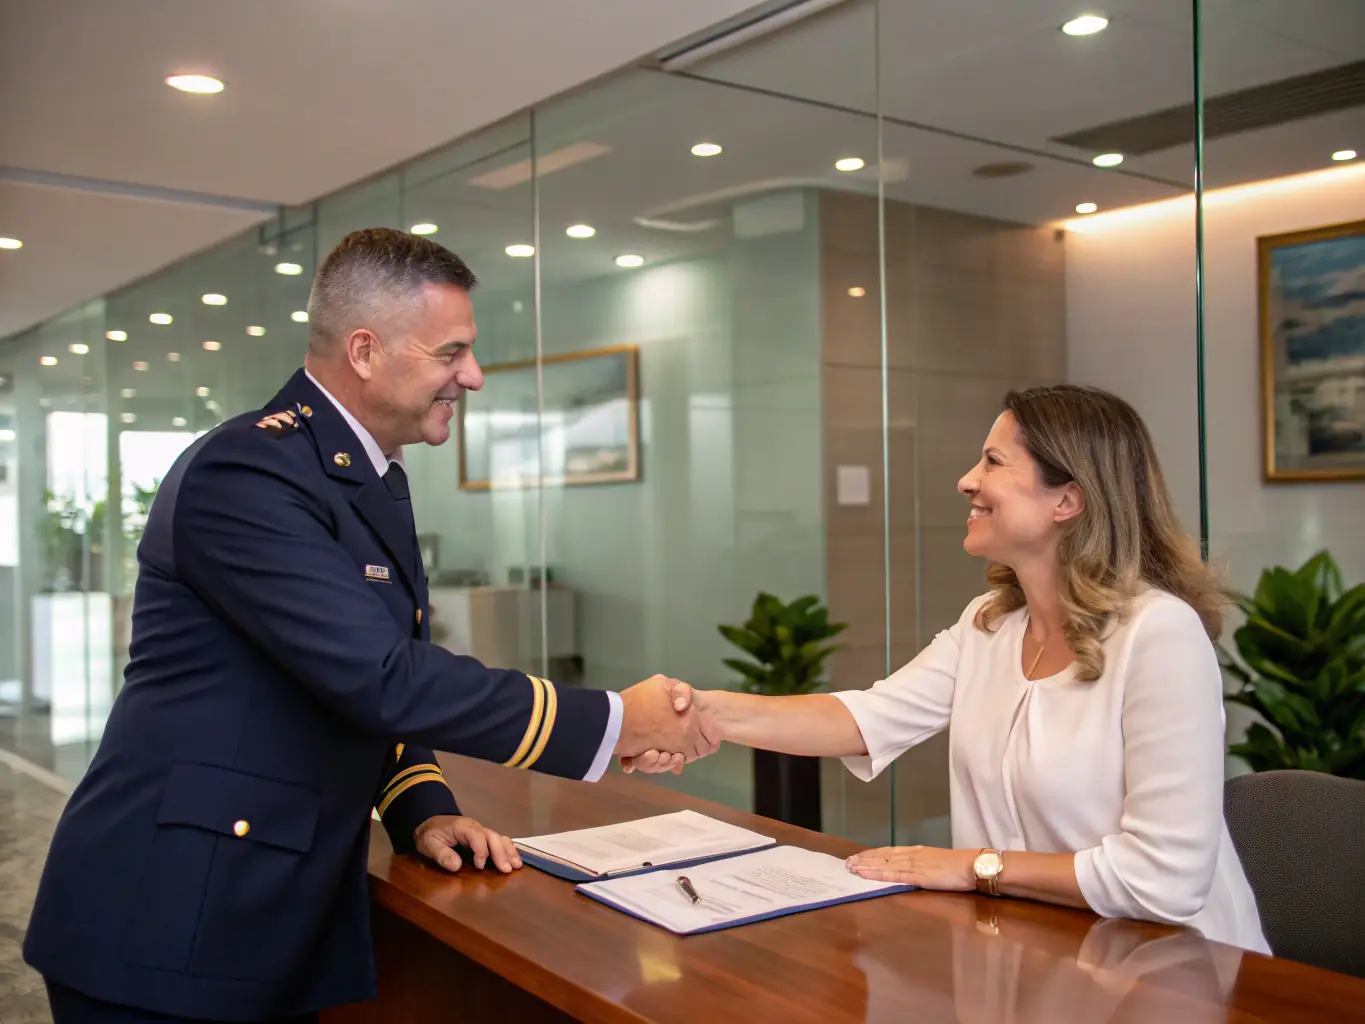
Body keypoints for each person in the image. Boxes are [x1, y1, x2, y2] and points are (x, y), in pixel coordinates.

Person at [24, 227, 706, 1023]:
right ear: (364, 350)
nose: (474, 376)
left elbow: (356, 677)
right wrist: (618, 721)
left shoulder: (362, 476)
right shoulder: (246, 471)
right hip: (175, 917)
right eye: (450, 353)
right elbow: (381, 678)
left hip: (265, 904)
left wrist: (421, 806)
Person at [625, 384, 1271, 954]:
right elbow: (862, 719)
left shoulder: (1159, 636)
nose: (966, 480)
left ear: (1066, 500)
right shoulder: (987, 625)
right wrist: (696, 712)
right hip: (1036, 951)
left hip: (1178, 972)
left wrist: (970, 867)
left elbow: (1162, 879)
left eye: (991, 461)